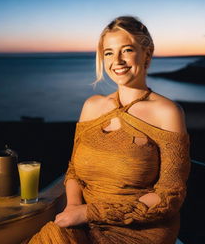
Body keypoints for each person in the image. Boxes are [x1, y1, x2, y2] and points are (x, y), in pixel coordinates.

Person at [28, 16, 190, 244]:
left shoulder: (167, 112)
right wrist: (74, 207)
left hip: (142, 230)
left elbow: (170, 196)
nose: (118, 60)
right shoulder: (92, 106)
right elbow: (74, 171)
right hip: (83, 223)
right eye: (109, 52)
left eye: (127, 50)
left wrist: (88, 212)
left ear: (148, 54)